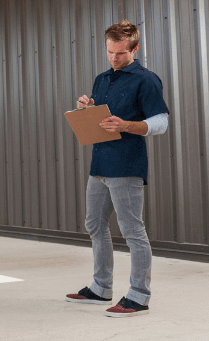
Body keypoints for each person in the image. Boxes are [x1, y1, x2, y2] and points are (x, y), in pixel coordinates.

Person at [66, 20, 169, 317]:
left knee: (133, 231)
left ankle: (139, 296)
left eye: (121, 53)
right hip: (100, 163)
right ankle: (101, 287)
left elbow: (161, 122)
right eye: (110, 52)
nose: (114, 58)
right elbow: (102, 115)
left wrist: (127, 125)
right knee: (95, 225)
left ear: (135, 49)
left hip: (126, 165)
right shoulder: (102, 79)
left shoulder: (146, 80)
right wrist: (87, 108)